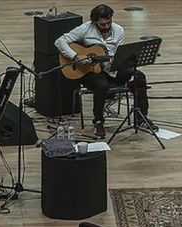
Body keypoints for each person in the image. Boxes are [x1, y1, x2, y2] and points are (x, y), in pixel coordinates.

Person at [55, 4, 155, 139]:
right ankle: (98, 121)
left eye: (109, 22)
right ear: (94, 22)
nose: (107, 26)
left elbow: (117, 55)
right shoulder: (85, 29)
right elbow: (60, 41)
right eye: (102, 24)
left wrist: (120, 60)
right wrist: (75, 56)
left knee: (139, 77)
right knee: (102, 85)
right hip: (90, 71)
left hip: (111, 68)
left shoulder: (119, 30)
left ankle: (141, 118)